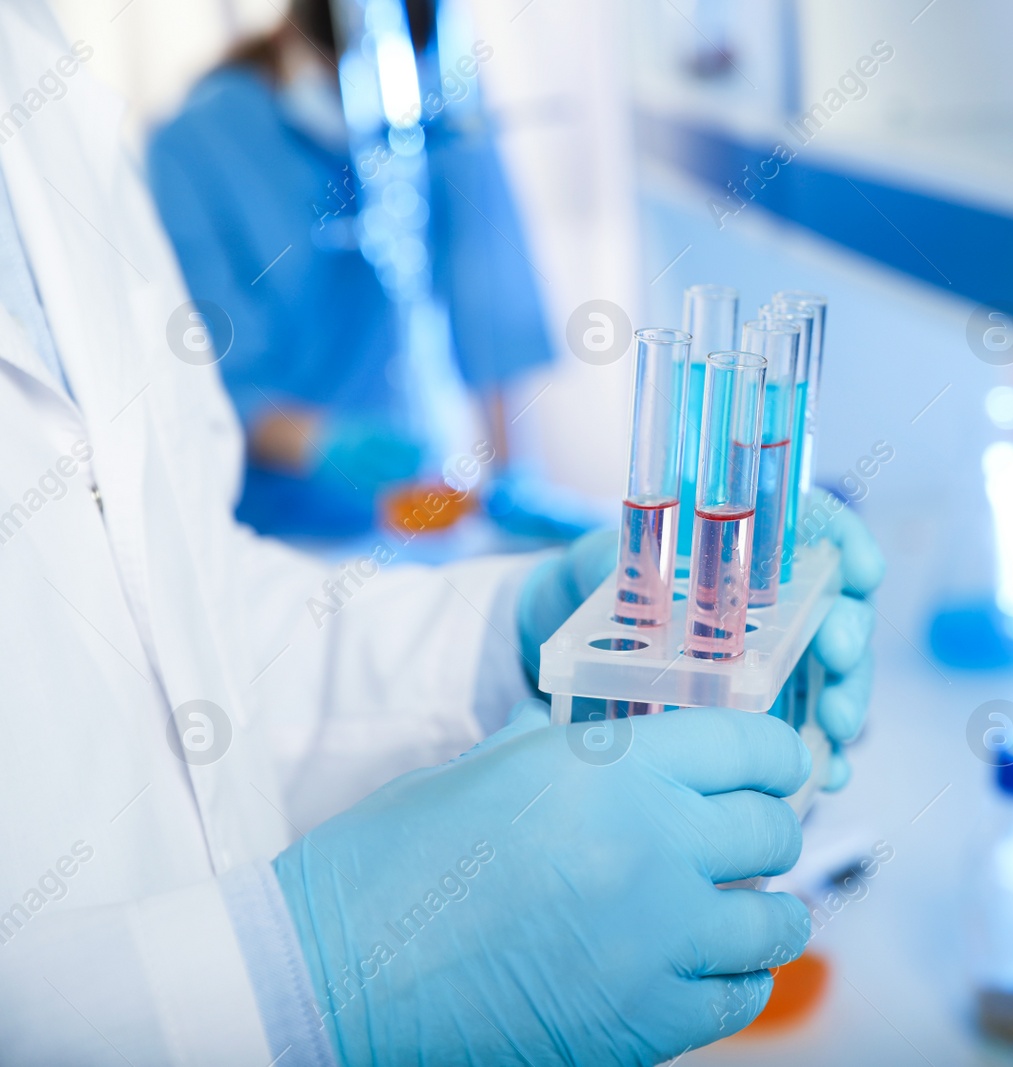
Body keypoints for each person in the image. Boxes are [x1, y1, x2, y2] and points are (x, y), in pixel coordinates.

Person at [0, 3, 884, 1062]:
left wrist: (504, 636)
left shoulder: (36, 75)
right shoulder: (204, 141)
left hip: (371, 563)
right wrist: (312, 980)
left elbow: (172, 619)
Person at [146, 0, 590, 540]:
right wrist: (323, 445)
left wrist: (510, 478)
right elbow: (211, 370)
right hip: (272, 525)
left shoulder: (435, 106)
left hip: (408, 511)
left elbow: (485, 285)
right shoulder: (194, 147)